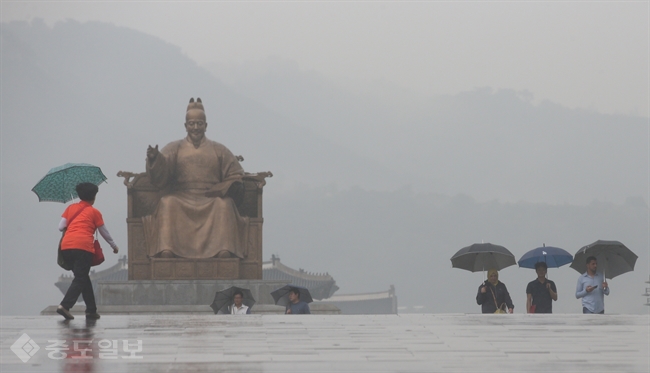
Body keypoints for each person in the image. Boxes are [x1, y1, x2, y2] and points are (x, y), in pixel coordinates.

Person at [143, 98, 248, 259]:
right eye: (192, 124)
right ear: (185, 126)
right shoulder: (174, 148)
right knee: (167, 203)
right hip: (181, 196)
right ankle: (167, 249)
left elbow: (236, 173)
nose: (196, 128)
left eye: (199, 124)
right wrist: (154, 159)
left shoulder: (219, 149)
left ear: (206, 126)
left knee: (225, 205)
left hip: (210, 197)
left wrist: (225, 186)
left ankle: (224, 250)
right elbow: (161, 174)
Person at [57, 183, 119, 320]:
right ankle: (65, 306)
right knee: (80, 278)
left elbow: (60, 227)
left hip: (66, 247)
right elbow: (104, 232)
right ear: (94, 197)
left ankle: (91, 310)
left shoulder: (70, 208)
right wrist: (114, 246)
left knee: (83, 277)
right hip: (83, 248)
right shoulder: (94, 212)